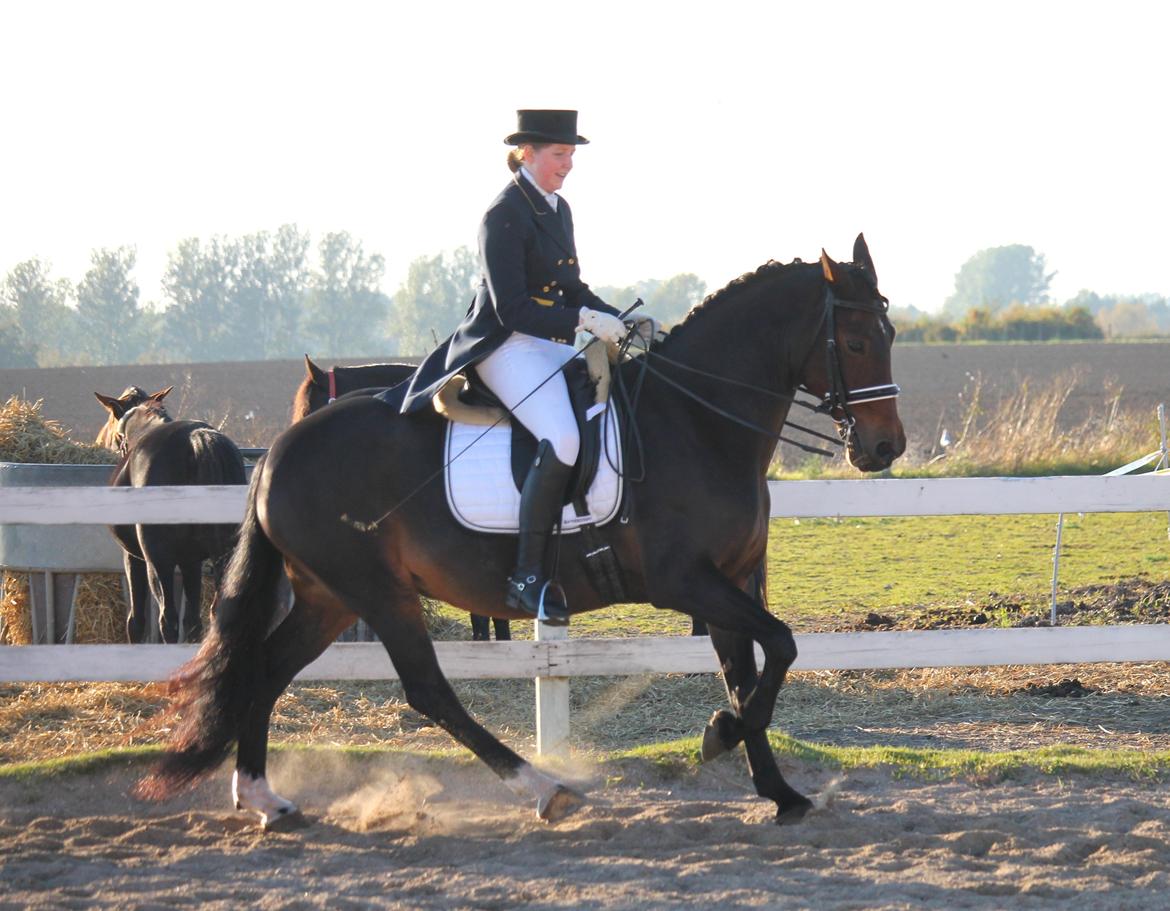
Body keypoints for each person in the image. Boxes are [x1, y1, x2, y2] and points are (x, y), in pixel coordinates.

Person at [397, 109, 631, 625]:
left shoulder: (557, 209)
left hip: (548, 342)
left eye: (571, 155)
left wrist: (617, 318)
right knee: (564, 439)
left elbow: (572, 289)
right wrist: (587, 319)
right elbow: (512, 310)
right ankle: (526, 576)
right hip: (505, 346)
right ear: (526, 153)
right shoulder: (503, 214)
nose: (567, 165)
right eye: (558, 154)